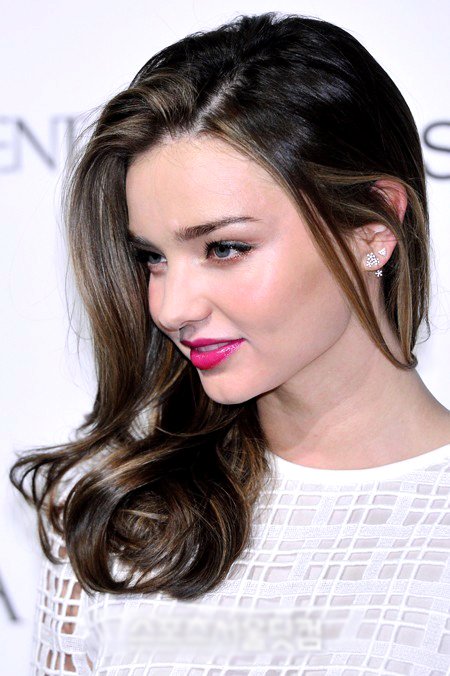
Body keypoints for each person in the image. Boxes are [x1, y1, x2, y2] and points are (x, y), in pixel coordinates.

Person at [10, 10, 450, 675]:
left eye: (224, 248)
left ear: (374, 227)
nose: (172, 308)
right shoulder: (121, 518)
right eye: (152, 257)